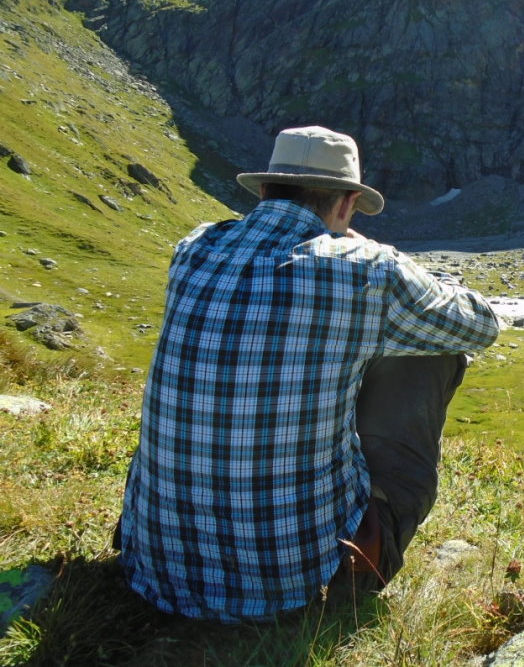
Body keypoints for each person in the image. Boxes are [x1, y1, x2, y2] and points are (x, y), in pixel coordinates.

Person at [117, 125, 499, 622]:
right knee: (434, 351)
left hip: (155, 568)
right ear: (345, 206)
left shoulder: (194, 246)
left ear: (264, 190)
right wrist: (380, 254)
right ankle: (358, 568)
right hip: (290, 584)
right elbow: (481, 326)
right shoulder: (368, 269)